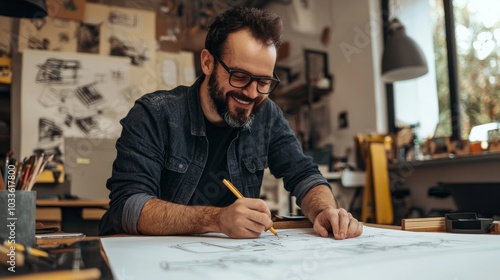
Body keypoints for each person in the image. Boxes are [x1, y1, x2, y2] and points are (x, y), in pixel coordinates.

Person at [99, 6, 363, 240]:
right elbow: (129, 206)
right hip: (146, 258)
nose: (251, 93)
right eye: (239, 76)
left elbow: (304, 174)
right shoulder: (154, 114)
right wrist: (217, 219)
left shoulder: (266, 114)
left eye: (263, 82)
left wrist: (325, 210)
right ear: (207, 63)